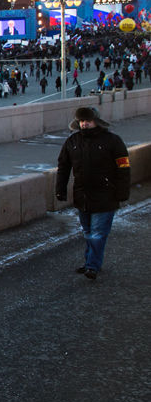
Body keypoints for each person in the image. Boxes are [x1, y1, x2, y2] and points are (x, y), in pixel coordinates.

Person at [56, 107, 130, 280]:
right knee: (88, 231)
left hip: (106, 196)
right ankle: (91, 261)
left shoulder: (113, 141)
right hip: (82, 197)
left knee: (97, 233)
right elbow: (63, 167)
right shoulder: (72, 142)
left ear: (96, 121)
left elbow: (124, 168)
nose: (84, 124)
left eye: (88, 121)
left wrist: (122, 192)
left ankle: (92, 265)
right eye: (81, 121)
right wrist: (60, 190)